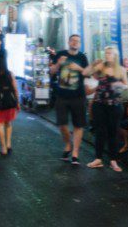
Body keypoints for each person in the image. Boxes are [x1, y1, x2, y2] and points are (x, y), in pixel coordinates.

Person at [85, 46, 127, 172]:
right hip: (100, 103)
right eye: (106, 53)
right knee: (100, 132)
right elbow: (86, 73)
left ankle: (113, 160)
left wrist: (118, 86)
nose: (107, 55)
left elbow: (126, 87)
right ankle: (98, 158)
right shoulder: (100, 67)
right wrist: (93, 64)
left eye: (110, 53)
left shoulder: (121, 70)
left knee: (113, 133)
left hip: (115, 105)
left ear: (115, 55)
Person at [50, 34, 89, 166]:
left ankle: (75, 153)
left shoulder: (82, 57)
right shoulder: (60, 54)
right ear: (68, 42)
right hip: (62, 95)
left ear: (80, 44)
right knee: (62, 124)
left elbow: (87, 73)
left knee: (79, 125)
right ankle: (68, 143)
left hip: (78, 96)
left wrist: (79, 68)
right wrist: (58, 64)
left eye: (77, 41)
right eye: (72, 40)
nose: (75, 43)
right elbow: (51, 72)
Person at [0, 52, 19, 156]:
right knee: (8, 123)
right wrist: (17, 102)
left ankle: (3, 148)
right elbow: (15, 89)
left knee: (0, 124)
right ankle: (9, 144)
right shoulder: (10, 74)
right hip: (10, 102)